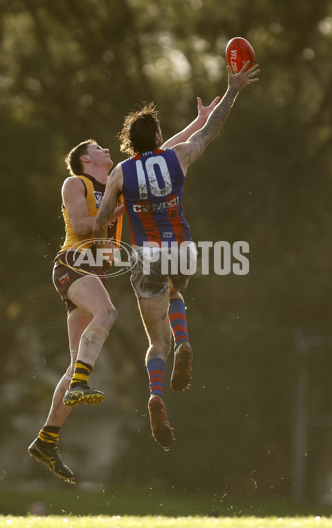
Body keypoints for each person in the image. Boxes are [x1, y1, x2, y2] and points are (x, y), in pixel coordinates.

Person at [28, 96, 221, 482]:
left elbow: (161, 151)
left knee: (78, 356)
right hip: (73, 265)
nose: (105, 148)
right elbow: (83, 226)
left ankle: (47, 438)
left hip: (91, 274)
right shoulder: (77, 182)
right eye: (97, 147)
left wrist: (199, 123)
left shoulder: (117, 177)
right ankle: (83, 381)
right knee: (109, 313)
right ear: (86, 160)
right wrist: (116, 211)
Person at [93, 61, 260, 450]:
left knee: (156, 343)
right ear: (158, 137)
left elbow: (102, 219)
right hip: (181, 251)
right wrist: (233, 88)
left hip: (145, 257)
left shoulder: (121, 172)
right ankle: (185, 341)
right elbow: (210, 130)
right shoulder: (177, 156)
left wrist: (104, 251)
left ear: (130, 141)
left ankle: (156, 395)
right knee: (176, 294)